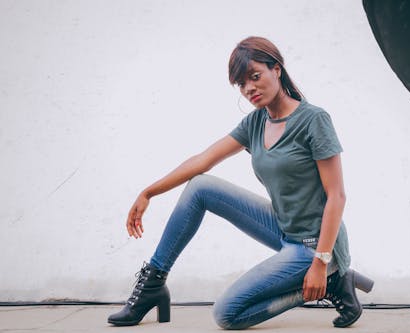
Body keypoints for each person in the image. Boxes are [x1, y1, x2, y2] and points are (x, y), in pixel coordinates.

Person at [108, 36, 373, 329]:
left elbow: (337, 196)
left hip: (315, 245)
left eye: (255, 77)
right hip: (284, 228)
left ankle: (333, 282)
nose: (249, 89)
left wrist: (321, 264)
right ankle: (153, 283)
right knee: (200, 187)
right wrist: (149, 192)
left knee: (227, 314)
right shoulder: (256, 122)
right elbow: (203, 159)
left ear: (277, 69)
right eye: (241, 84)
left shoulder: (313, 120)